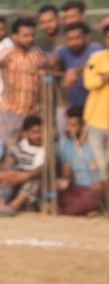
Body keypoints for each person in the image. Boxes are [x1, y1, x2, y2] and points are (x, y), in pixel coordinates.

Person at [0, 17, 45, 147]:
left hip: (34, 111)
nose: (29, 39)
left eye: (31, 35)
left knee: (34, 147)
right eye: (25, 36)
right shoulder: (7, 53)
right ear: (14, 36)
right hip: (11, 110)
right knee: (8, 148)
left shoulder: (38, 54)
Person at [0, 115, 45, 217]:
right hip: (16, 179)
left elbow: (44, 168)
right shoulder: (20, 146)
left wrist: (26, 175)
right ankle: (0, 204)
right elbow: (7, 162)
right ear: (25, 134)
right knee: (9, 170)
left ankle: (13, 206)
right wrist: (5, 174)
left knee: (35, 178)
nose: (39, 136)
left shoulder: (49, 147)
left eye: (41, 132)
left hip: (33, 181)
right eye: (34, 132)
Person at [57, 106, 105, 216]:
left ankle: (65, 211)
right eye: (67, 125)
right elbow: (66, 174)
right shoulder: (66, 144)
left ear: (84, 126)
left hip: (95, 189)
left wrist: (101, 183)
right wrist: (61, 182)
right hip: (76, 189)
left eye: (72, 125)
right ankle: (83, 209)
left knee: (96, 196)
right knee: (46, 188)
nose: (67, 129)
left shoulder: (97, 144)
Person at [52, 21, 100, 111]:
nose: (73, 42)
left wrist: (74, 71)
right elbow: (50, 60)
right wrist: (35, 67)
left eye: (77, 38)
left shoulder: (96, 49)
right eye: (69, 39)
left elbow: (93, 64)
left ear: (86, 37)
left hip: (96, 108)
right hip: (72, 106)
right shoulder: (64, 51)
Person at [84, 25, 109, 183]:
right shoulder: (97, 57)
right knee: (102, 165)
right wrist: (105, 77)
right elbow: (89, 82)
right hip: (96, 119)